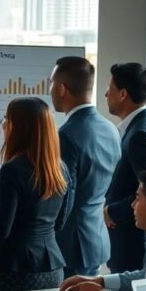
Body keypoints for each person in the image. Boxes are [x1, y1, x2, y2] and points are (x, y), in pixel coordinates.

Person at [0, 98, 73, 291]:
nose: (3, 124)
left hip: (11, 270)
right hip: (51, 269)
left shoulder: (12, 170)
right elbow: (58, 223)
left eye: (7, 118)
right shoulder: (61, 169)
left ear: (18, 128)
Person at [50, 56, 121, 277]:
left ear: (62, 88)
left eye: (52, 83)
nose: (50, 89)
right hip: (96, 239)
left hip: (69, 246)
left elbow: (64, 197)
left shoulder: (66, 136)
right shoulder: (111, 129)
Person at [103, 62, 146, 272]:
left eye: (110, 89)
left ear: (123, 94)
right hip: (130, 241)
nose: (106, 94)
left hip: (132, 244)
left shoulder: (140, 135)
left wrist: (114, 212)